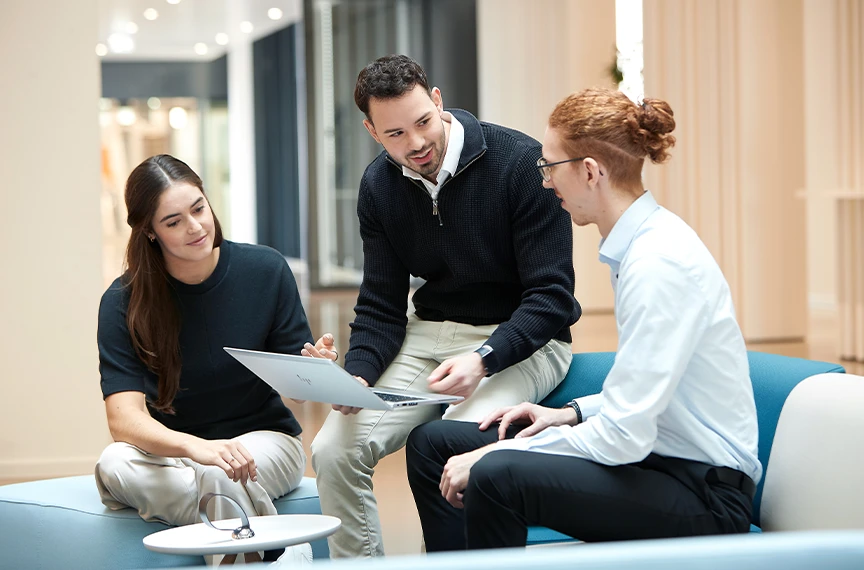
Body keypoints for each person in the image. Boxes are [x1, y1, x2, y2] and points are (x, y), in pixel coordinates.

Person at [405, 87, 762, 550]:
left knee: (494, 470)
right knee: (432, 443)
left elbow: (623, 437)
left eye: (549, 167)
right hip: (656, 459)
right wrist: (568, 414)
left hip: (702, 493)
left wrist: (505, 449)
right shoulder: (638, 249)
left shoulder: (658, 264)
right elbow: (646, 395)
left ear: (590, 171)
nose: (545, 182)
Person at [310, 54, 582, 558]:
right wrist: (360, 375)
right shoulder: (378, 187)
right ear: (372, 131)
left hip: (523, 339)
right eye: (394, 134)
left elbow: (551, 297)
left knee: (450, 446)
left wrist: (484, 357)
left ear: (437, 102)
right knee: (333, 449)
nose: (415, 144)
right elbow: (380, 305)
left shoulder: (521, 163)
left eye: (422, 123)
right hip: (428, 335)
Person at [95, 154, 335, 563]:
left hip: (265, 442)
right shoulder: (123, 301)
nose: (195, 227)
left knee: (216, 473)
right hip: (174, 450)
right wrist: (194, 448)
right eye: (173, 222)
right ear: (150, 233)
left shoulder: (265, 270)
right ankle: (278, 546)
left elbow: (298, 398)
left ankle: (253, 541)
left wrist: (314, 371)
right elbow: (123, 419)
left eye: (199, 208)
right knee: (112, 463)